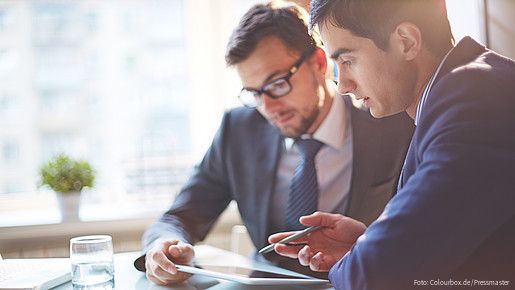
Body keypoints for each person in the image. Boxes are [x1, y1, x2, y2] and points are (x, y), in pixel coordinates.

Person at [134, 1, 414, 285]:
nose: (268, 107)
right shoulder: (238, 131)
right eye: (255, 93)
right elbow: (179, 217)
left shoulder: (392, 125)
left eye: (278, 84)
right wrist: (163, 247)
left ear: (319, 64)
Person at [269, 0, 515, 289]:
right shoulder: (458, 92)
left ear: (406, 42)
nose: (343, 84)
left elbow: (376, 273)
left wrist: (368, 255)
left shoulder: (472, 101)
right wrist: (366, 242)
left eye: (347, 60)